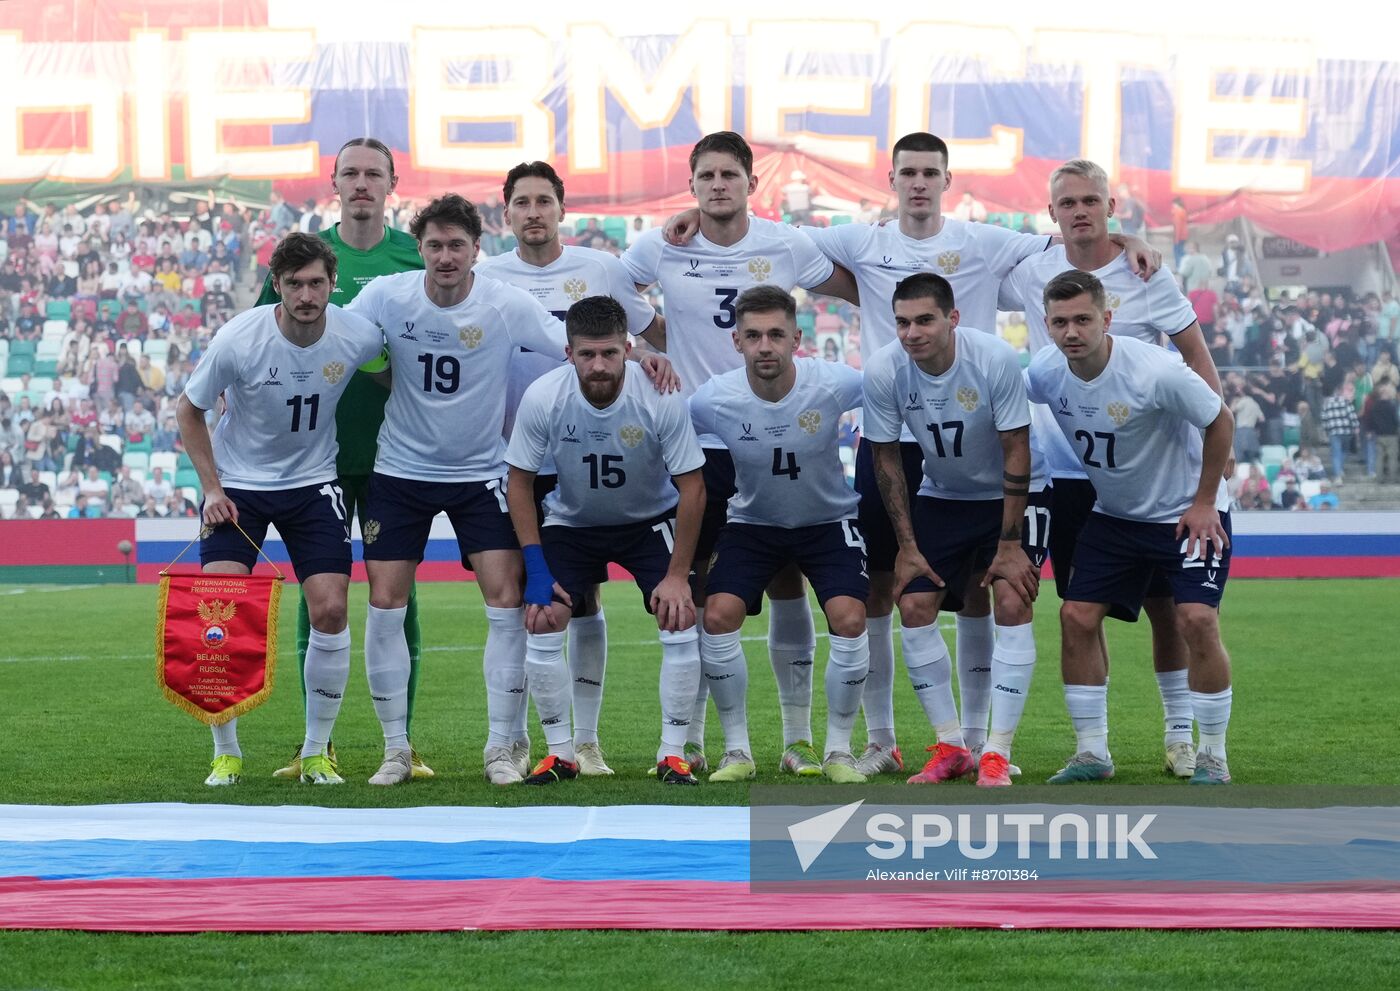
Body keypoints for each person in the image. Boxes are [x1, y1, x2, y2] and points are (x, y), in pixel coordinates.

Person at [669, 135, 1159, 778]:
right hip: (891, 433)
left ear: (948, 179)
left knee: (986, 594)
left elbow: (1071, 242)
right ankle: (883, 738)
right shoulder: (862, 241)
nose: (920, 182)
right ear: (892, 179)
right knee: (885, 588)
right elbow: (775, 237)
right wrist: (697, 220)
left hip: (974, 432)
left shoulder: (985, 242)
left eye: (931, 171)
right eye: (909, 172)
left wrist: (1124, 242)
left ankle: (981, 740)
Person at [344, 193, 674, 787]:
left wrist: (641, 355)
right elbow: (338, 342)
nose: (446, 257)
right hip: (399, 472)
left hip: (481, 476)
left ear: (477, 249)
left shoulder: (504, 303)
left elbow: (572, 347)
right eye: (435, 245)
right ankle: (395, 750)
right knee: (385, 605)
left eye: (457, 245)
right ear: (419, 248)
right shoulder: (387, 296)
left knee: (505, 607)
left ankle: (503, 748)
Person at [622, 131, 859, 775]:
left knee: (785, 582)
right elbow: (610, 289)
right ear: (692, 184)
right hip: (694, 440)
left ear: (751, 183)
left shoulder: (784, 242)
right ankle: (695, 739)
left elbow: (856, 285)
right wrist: (646, 343)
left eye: (730, 174)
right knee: (697, 596)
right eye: (707, 176)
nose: (718, 184)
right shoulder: (662, 245)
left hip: (771, 431)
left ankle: (797, 739)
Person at [999, 158, 1226, 778]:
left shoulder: (1145, 273)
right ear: (1052, 214)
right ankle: (1092, 748)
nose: (1079, 211)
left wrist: (1211, 472)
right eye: (1067, 202)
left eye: (1090, 201)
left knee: (1168, 609)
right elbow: (953, 269)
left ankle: (1181, 736)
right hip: (1074, 478)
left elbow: (1199, 367)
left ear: (1110, 206)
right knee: (1078, 609)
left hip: (1153, 472)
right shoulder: (1030, 269)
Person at [176, 233, 387, 787]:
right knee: (219, 611)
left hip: (314, 484)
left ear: (332, 283)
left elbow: (396, 372)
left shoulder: (356, 333)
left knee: (331, 611)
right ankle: (227, 753)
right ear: (277, 285)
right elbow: (189, 409)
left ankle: (317, 752)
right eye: (294, 283)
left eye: (317, 282)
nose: (307, 294)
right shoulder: (239, 340)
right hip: (239, 488)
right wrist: (213, 489)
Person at [474, 160, 663, 775]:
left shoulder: (599, 269)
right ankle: (516, 739)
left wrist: (659, 359)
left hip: (596, 451)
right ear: (506, 214)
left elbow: (650, 329)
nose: (533, 213)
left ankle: (584, 740)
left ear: (562, 209)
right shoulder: (485, 277)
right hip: (517, 456)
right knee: (530, 603)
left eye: (543, 202)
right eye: (521, 203)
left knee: (584, 602)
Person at [255, 138, 433, 782]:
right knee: (318, 598)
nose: (362, 183)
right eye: (350, 173)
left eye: (373, 174)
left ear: (392, 185)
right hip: (319, 459)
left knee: (397, 601)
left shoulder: (419, 257)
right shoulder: (304, 258)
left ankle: (401, 745)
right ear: (333, 182)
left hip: (398, 457)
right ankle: (316, 745)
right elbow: (261, 346)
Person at [1027, 269, 1236, 785]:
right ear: (1046, 325)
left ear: (1107, 319)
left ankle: (1211, 755)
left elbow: (1220, 419)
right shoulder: (1046, 371)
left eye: (1082, 319)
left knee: (1196, 620)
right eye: (1059, 322)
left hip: (1184, 514)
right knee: (1075, 616)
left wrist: (1206, 500)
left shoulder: (1155, 370)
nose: (1071, 332)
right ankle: (1092, 753)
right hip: (1116, 516)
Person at [505, 295, 706, 786]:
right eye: (587, 354)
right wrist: (535, 569)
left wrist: (678, 576)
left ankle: (672, 754)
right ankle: (560, 753)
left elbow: (693, 486)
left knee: (678, 614)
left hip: (647, 521)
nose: (599, 366)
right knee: (544, 614)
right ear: (569, 353)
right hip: (572, 525)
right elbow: (518, 482)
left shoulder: (659, 394)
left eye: (609, 354)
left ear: (627, 349)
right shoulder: (544, 396)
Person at [864, 273, 1045, 787]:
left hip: (1014, 496)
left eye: (924, 320)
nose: (911, 332)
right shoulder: (883, 369)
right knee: (914, 604)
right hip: (943, 495)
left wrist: (1009, 545)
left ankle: (996, 752)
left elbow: (1017, 447)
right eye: (902, 322)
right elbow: (886, 457)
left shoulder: (993, 359)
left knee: (1012, 599)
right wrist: (906, 546)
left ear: (953, 319)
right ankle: (951, 747)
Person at [689, 286, 871, 783]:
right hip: (753, 524)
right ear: (737, 342)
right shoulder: (713, 399)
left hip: (827, 522)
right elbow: (667, 424)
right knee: (719, 615)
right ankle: (737, 752)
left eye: (775, 334)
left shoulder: (833, 383)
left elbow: (894, 387)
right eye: (753, 336)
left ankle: (837, 751)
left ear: (797, 338)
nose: (764, 345)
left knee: (851, 619)